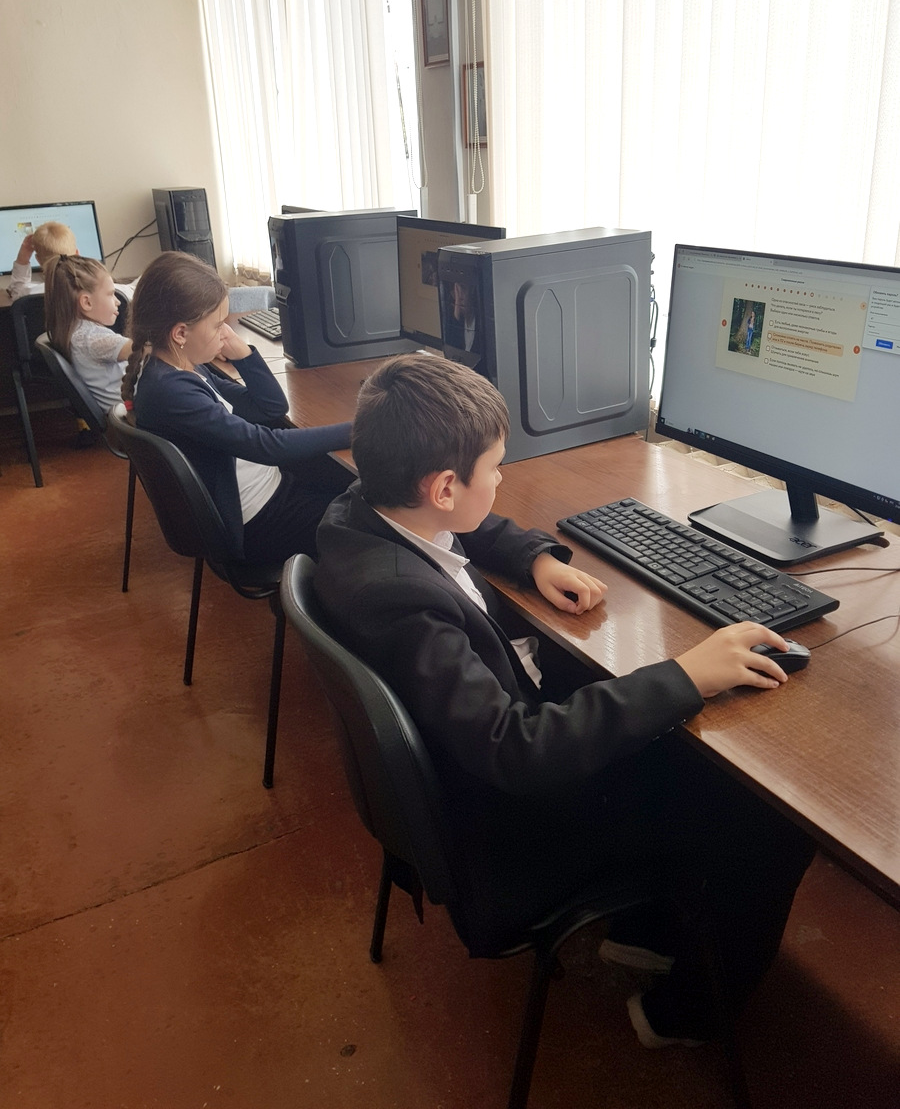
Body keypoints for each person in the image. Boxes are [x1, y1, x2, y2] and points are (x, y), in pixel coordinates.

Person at [313, 352, 816, 1049]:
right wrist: (688, 673)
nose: (502, 479)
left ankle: (645, 931)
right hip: (511, 830)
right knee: (771, 814)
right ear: (446, 486)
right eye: (496, 468)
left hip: (469, 776)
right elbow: (515, 750)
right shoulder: (401, 602)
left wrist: (536, 557)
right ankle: (681, 1014)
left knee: (658, 723)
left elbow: (465, 524)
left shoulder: (360, 511)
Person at [123, 250, 354, 565]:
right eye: (218, 324)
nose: (225, 332)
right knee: (373, 515)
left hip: (267, 490)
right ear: (180, 333)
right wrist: (358, 429)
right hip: (259, 523)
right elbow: (265, 446)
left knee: (350, 481)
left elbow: (270, 408)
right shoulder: (171, 392)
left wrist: (241, 351)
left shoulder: (185, 368)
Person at [43, 254, 132, 413]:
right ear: (87, 302)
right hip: (129, 415)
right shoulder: (91, 338)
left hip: (124, 411)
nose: (117, 301)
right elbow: (140, 349)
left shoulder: (77, 332)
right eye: (110, 294)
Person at [8, 220, 136, 303]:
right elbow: (136, 289)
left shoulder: (28, 295)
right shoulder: (110, 290)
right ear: (77, 253)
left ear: (38, 260)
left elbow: (17, 289)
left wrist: (23, 257)